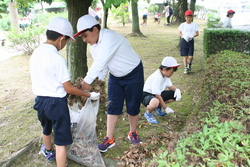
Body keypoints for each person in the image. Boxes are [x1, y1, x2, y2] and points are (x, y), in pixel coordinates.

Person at [30, 17, 100, 167]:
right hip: (56, 104)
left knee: (46, 129)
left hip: (40, 101)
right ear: (62, 38)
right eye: (67, 41)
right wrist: (88, 95)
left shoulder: (36, 53)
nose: (65, 45)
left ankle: (48, 150)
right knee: (61, 142)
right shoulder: (57, 59)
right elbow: (68, 88)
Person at [73, 15, 144, 152]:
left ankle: (133, 132)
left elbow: (100, 62)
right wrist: (97, 84)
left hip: (133, 73)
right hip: (116, 76)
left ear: (94, 29)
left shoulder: (110, 37)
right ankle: (109, 138)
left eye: (85, 35)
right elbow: (102, 67)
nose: (84, 40)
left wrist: (87, 82)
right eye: (82, 37)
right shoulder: (94, 46)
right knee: (113, 105)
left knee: (133, 104)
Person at [142, 57, 182, 124]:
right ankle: (148, 113)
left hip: (157, 94)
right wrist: (166, 108)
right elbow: (157, 95)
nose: (172, 74)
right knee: (155, 101)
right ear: (164, 69)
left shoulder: (165, 75)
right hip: (146, 95)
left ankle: (157, 107)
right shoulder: (157, 78)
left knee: (175, 95)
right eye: (171, 72)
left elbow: (170, 86)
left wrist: (177, 90)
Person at [178, 10, 199, 74]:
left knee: (191, 56)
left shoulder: (194, 25)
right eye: (187, 17)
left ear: (192, 17)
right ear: (185, 17)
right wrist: (183, 36)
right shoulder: (182, 25)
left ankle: (189, 63)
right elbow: (179, 33)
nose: (188, 18)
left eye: (190, 17)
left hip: (190, 40)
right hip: (184, 40)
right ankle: (185, 67)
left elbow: (197, 33)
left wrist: (192, 36)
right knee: (185, 56)